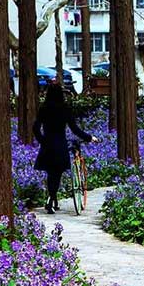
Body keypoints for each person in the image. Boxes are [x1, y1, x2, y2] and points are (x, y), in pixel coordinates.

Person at [33, 84, 98, 214]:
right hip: (60, 145)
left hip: (47, 145)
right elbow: (74, 129)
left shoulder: (44, 108)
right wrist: (89, 137)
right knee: (56, 173)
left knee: (51, 173)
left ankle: (52, 198)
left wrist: (42, 140)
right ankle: (51, 199)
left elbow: (35, 128)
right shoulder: (65, 109)